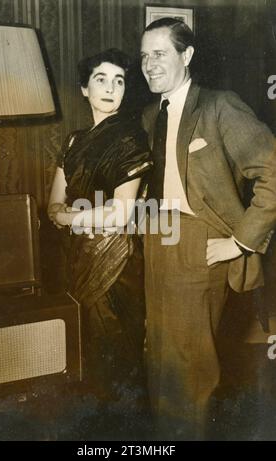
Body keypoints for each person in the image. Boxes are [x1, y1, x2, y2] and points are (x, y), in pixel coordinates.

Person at [140, 17, 276, 439]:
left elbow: (273, 170)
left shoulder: (219, 105)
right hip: (156, 243)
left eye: (159, 54)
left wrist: (240, 242)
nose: (149, 65)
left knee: (188, 372)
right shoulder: (150, 115)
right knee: (160, 365)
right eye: (144, 56)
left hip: (198, 247)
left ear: (187, 55)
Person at [48, 49, 152, 408]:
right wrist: (74, 216)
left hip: (117, 261)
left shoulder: (130, 139)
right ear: (83, 89)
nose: (111, 88)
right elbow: (51, 205)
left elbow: (121, 213)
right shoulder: (73, 142)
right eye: (101, 79)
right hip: (76, 258)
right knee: (84, 353)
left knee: (118, 356)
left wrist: (71, 217)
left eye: (119, 80)